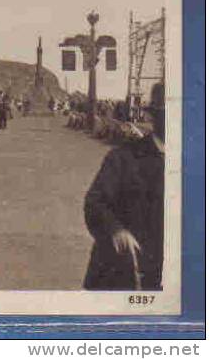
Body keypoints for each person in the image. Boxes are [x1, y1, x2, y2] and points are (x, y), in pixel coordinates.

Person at [83, 83, 165, 290]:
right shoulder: (123, 158)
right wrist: (116, 230)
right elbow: (95, 202)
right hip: (124, 270)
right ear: (155, 116)